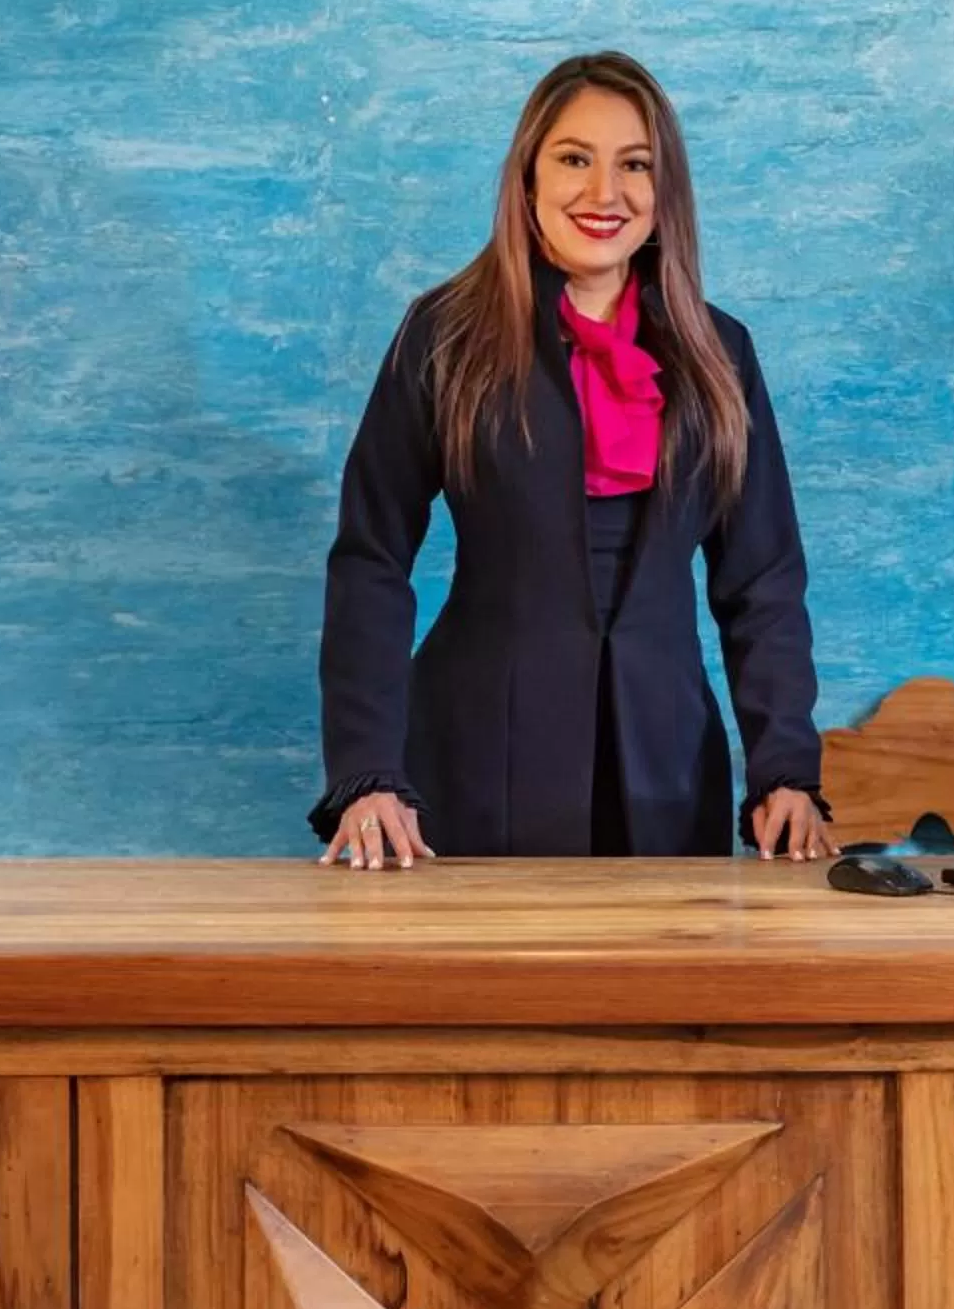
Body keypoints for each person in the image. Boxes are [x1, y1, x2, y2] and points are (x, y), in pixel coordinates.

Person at [313, 52, 833, 867]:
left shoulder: (722, 355)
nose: (604, 193)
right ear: (527, 180)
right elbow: (371, 562)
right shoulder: (442, 338)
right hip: (473, 763)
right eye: (574, 159)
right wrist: (367, 773)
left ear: (666, 197)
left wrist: (784, 771)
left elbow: (761, 582)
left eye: (636, 165)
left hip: (667, 774)